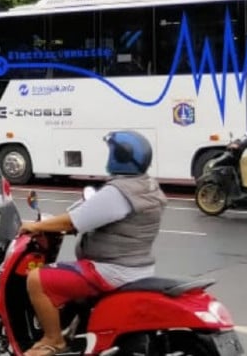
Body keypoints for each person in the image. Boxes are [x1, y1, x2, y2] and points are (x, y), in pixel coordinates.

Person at [17, 131, 167, 356]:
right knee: (71, 281)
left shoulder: (118, 192)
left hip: (111, 270)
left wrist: (36, 226)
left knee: (37, 279)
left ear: (120, 157)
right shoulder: (147, 185)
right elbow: (90, 214)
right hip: (138, 268)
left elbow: (74, 221)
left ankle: (53, 340)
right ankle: (78, 329)